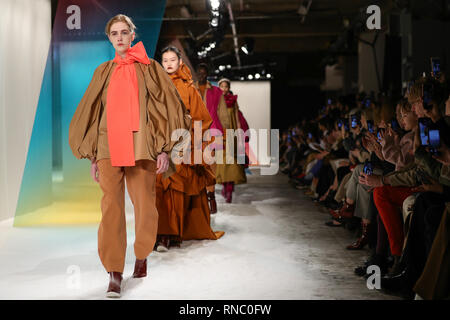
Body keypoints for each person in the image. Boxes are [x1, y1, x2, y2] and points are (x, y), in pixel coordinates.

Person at [68, 14, 190, 298]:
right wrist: (93, 156)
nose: (120, 37)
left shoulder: (151, 69)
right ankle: (114, 272)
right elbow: (91, 111)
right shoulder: (103, 71)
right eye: (115, 33)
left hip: (142, 146)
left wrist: (164, 149)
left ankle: (142, 253)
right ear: (109, 38)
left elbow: (168, 107)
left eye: (125, 32)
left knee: (146, 206)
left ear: (132, 35)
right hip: (108, 145)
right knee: (111, 209)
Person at [155, 46, 224, 251]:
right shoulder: (155, 86)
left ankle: (173, 234)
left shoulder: (189, 88)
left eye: (172, 60)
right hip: (160, 144)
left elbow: (201, 118)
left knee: (176, 187)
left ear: (180, 62)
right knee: (160, 188)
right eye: (165, 60)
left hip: (182, 143)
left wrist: (193, 144)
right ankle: (163, 233)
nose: (168, 63)